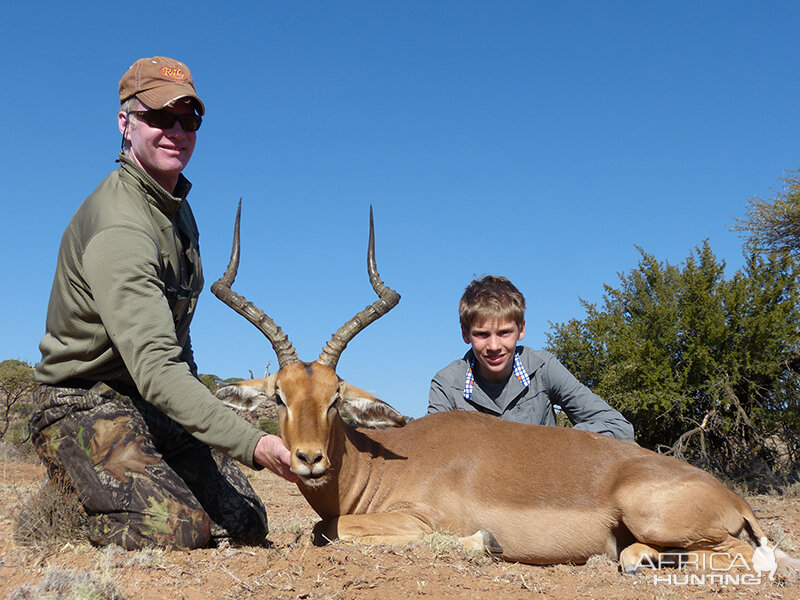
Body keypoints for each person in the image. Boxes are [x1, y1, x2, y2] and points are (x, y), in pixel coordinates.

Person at [31, 56, 296, 551]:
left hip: (146, 400)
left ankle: (129, 482)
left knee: (247, 521)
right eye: (158, 117)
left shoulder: (177, 207)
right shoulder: (122, 226)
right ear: (125, 123)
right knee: (176, 529)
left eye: (188, 118)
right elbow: (156, 365)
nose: (175, 131)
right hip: (81, 401)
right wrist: (254, 443)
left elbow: (177, 345)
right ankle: (61, 509)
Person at [428, 275, 635, 440]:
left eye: (504, 333)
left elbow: (619, 427)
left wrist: (545, 444)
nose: (493, 346)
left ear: (521, 329)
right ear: (465, 333)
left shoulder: (543, 368)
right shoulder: (446, 384)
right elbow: (432, 448)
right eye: (482, 334)